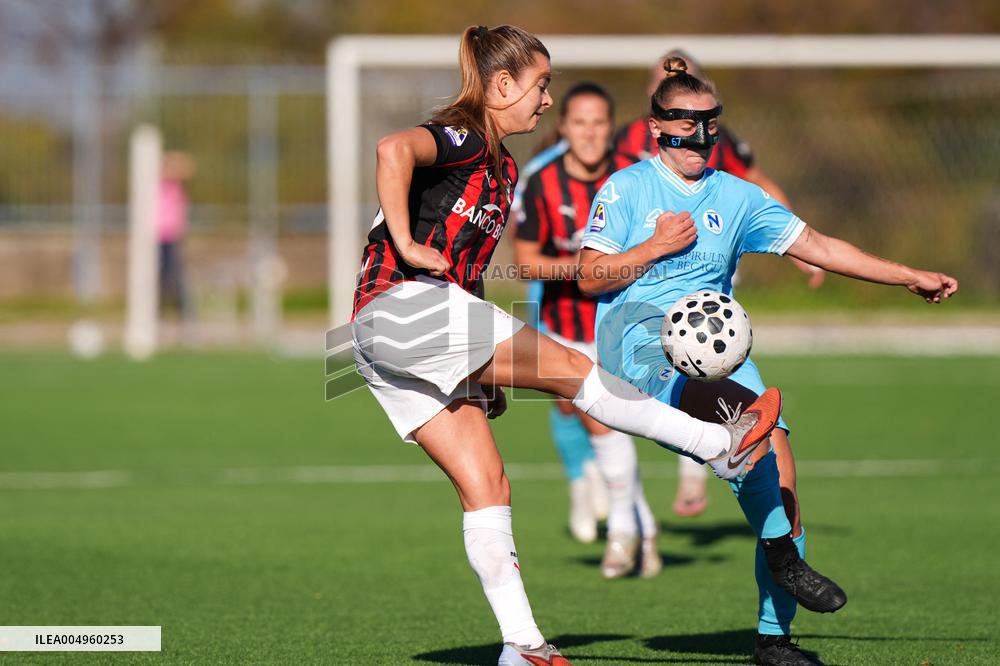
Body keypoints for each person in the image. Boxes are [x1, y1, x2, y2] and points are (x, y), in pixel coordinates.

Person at [350, 25, 790, 666]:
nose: (546, 100)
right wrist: (408, 244)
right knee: (575, 370)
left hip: (374, 334)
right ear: (502, 85)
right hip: (402, 310)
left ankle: (522, 646)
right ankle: (718, 447)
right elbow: (393, 150)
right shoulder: (467, 132)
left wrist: (481, 377)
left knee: (489, 486)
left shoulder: (502, 169)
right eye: (540, 85)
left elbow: (466, 277)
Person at [577, 57, 957, 666]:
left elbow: (822, 246)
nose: (699, 135)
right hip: (641, 347)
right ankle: (783, 551)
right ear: (656, 127)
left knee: (780, 480)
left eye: (710, 123)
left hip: (722, 351)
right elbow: (589, 277)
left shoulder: (737, 195)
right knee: (750, 437)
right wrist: (655, 247)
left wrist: (906, 275)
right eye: (684, 122)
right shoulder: (624, 189)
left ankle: (773, 640)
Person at [616, 48, 825, 519]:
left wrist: (800, 250)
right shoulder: (627, 146)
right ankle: (697, 459)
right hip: (646, 299)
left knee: (709, 357)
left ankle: (711, 474)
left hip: (709, 281)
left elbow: (756, 179)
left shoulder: (716, 138)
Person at [514, 81, 661, 578]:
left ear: (610, 126)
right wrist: (582, 269)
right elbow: (526, 263)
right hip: (564, 325)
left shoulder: (635, 178)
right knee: (592, 417)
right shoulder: (541, 181)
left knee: (606, 419)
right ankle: (639, 523)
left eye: (599, 122)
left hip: (621, 324)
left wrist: (618, 268)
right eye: (580, 122)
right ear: (564, 127)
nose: (590, 133)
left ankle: (623, 529)